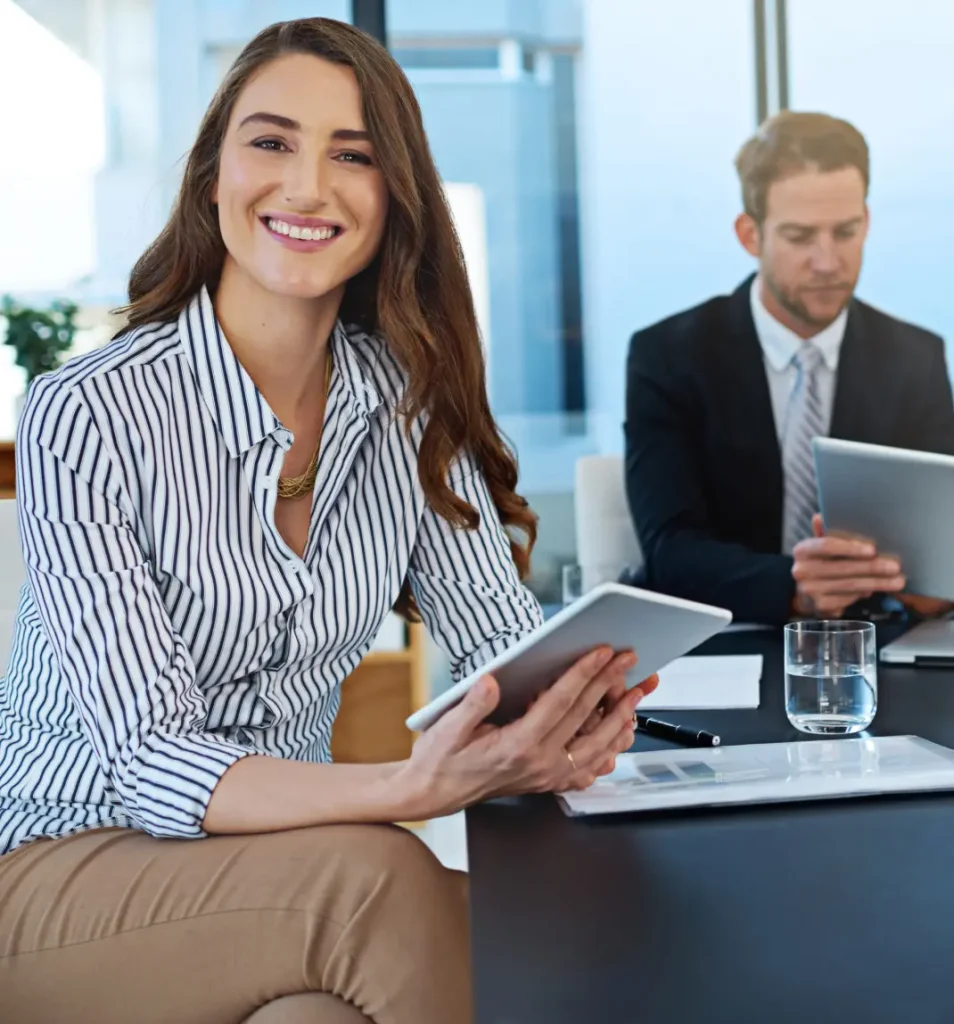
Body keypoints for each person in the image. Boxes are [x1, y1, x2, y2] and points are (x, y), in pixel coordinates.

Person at [0, 19, 657, 1023]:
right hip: (59, 868)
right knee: (386, 879)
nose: (307, 186)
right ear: (211, 177)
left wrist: (572, 707)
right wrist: (411, 786)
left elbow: (500, 647)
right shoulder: (85, 413)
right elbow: (154, 760)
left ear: (393, 198)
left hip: (280, 876)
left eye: (352, 155)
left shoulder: (406, 407)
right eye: (270, 142)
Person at [624, 110, 954, 626]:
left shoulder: (916, 356)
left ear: (865, 222)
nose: (828, 261)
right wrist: (796, 589)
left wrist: (936, 586)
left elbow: (942, 538)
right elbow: (670, 548)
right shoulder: (669, 355)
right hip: (724, 636)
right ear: (749, 235)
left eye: (845, 232)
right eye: (800, 237)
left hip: (874, 639)